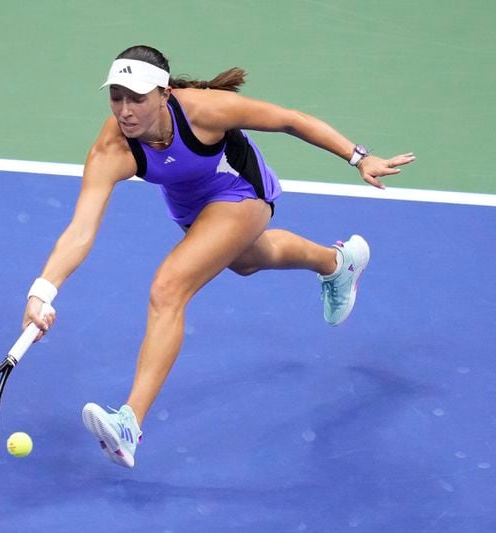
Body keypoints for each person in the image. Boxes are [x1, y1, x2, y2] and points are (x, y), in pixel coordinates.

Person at [22, 45, 415, 468]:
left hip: (240, 191)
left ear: (164, 94)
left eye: (136, 97)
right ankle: (338, 264)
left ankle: (129, 423)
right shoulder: (112, 150)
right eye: (116, 97)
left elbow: (289, 120)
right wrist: (42, 292)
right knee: (247, 260)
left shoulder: (204, 112)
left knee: (168, 287)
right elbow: (81, 230)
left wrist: (358, 157)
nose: (125, 110)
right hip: (192, 206)